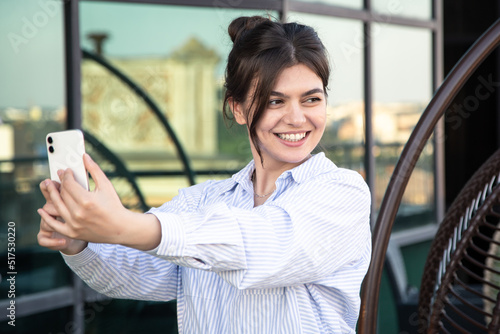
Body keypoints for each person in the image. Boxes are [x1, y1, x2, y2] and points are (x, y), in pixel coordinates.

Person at [37, 15, 371, 333]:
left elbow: (258, 243)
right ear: (237, 108)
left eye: (311, 99)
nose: (297, 118)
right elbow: (134, 272)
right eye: (274, 101)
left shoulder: (343, 193)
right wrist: (78, 243)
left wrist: (125, 224)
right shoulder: (202, 201)